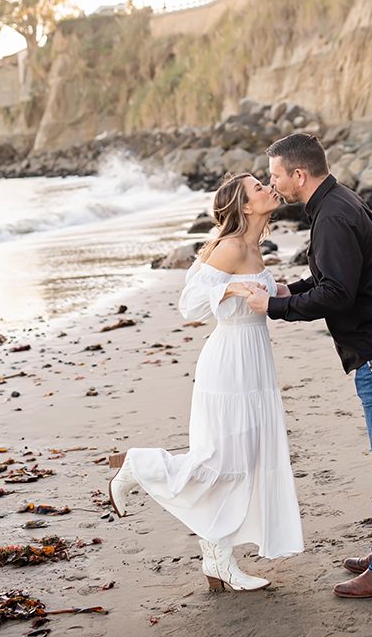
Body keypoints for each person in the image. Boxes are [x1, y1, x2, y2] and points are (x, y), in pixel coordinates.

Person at [245, 134, 372, 600]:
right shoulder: (337, 204)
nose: (274, 183)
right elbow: (335, 277)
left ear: (298, 176)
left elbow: (338, 295)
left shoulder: (332, 216)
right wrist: (289, 289)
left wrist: (275, 308)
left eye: (276, 176)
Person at [108, 172, 304, 592]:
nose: (269, 188)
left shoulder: (252, 247)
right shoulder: (230, 247)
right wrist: (232, 287)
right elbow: (190, 304)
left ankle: (219, 558)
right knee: (221, 462)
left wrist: (288, 291)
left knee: (243, 462)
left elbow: (262, 295)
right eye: (258, 188)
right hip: (229, 363)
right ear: (245, 206)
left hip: (255, 360)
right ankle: (140, 466)